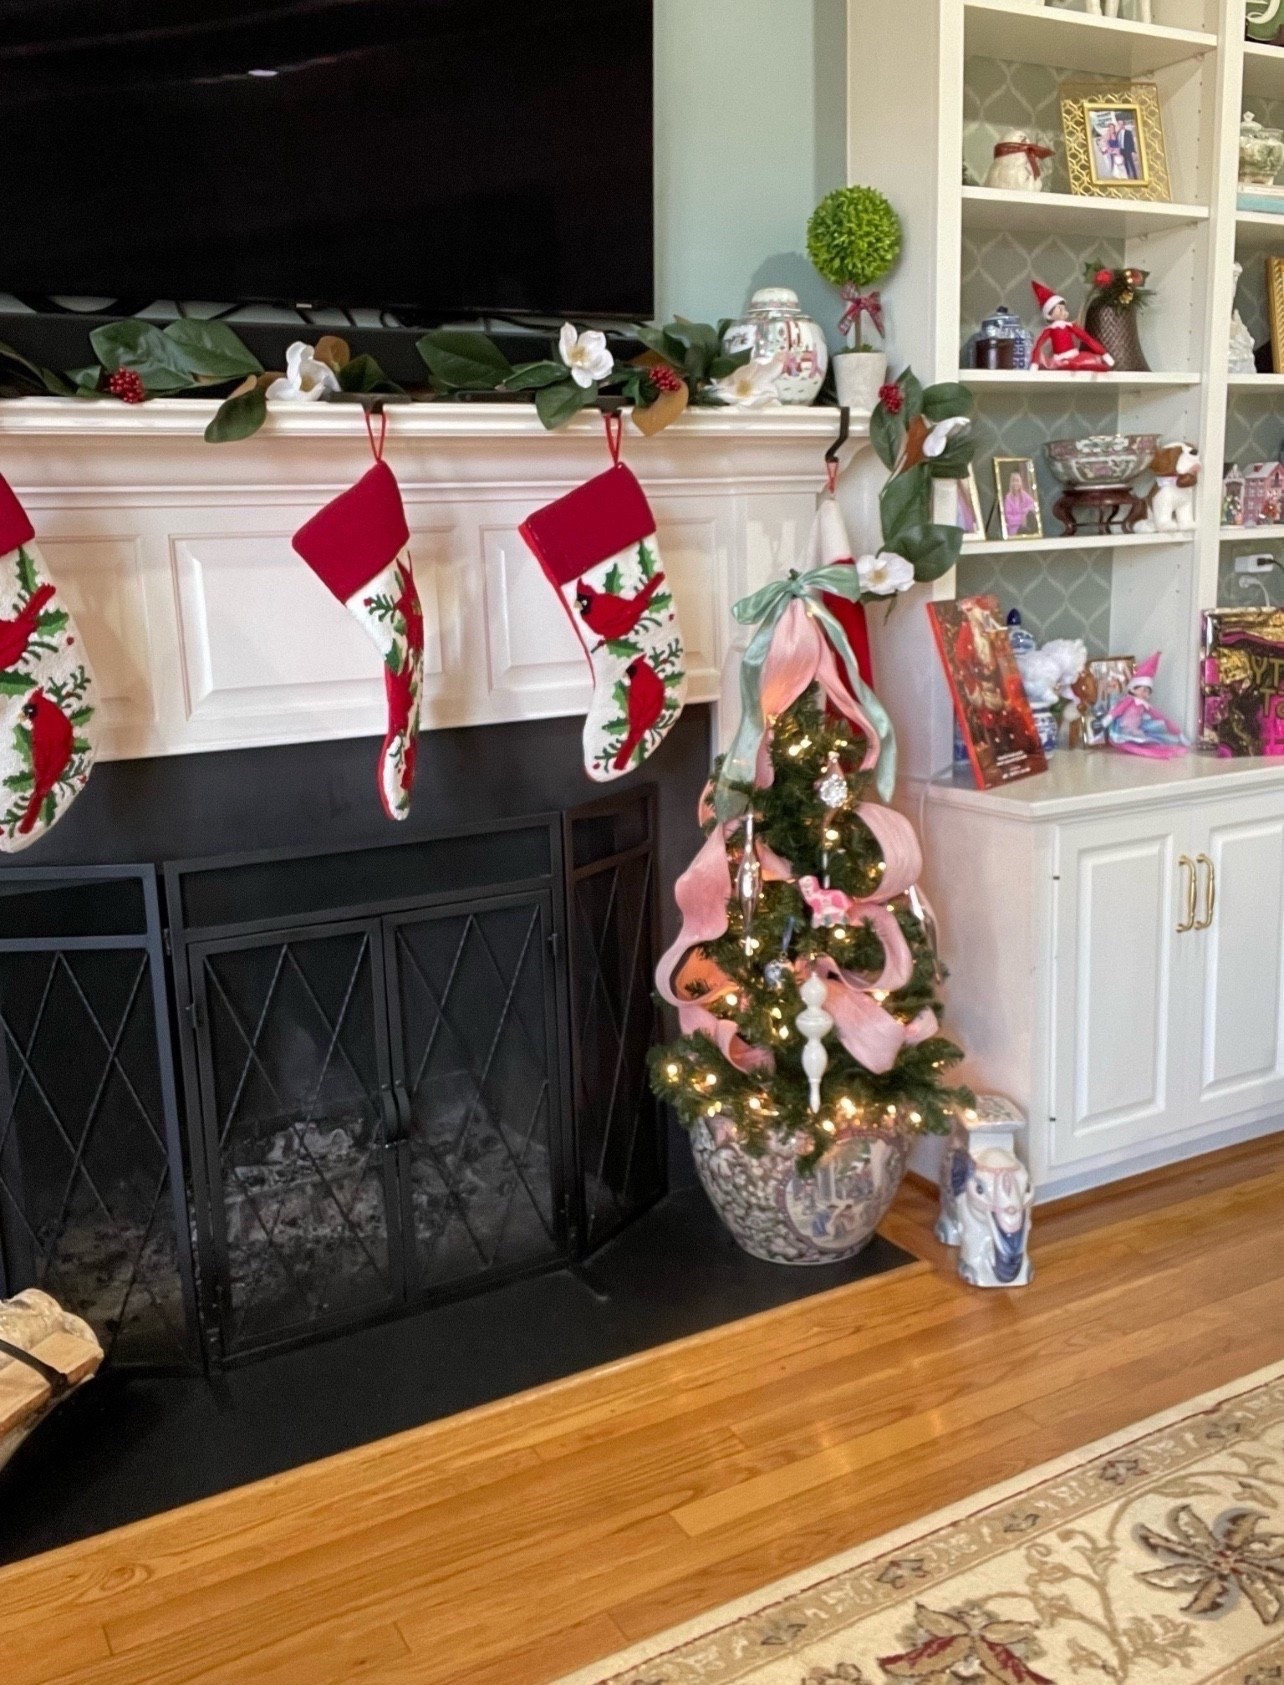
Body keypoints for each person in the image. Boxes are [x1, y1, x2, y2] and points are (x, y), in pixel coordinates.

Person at [1030, 280, 1115, 371]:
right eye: (1060, 309)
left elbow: (1087, 339)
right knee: (1072, 365)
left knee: (1088, 360)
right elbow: (1039, 345)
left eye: (1064, 309)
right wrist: (1034, 363)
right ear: (1049, 315)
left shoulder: (1069, 326)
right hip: (1059, 360)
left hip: (1074, 356)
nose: (1064, 312)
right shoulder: (1050, 330)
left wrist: (1104, 354)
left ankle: (1094, 364)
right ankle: (1073, 365)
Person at [1003, 469, 1039, 538]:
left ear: (1020, 482)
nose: (1016, 483)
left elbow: (1033, 504)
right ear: (1011, 483)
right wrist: (1021, 519)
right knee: (1027, 531)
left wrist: (1025, 511)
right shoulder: (1008, 498)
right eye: (1014, 481)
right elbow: (1008, 518)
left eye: (1017, 481)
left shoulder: (1024, 494)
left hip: (1025, 526)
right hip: (1015, 529)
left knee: (1031, 518)